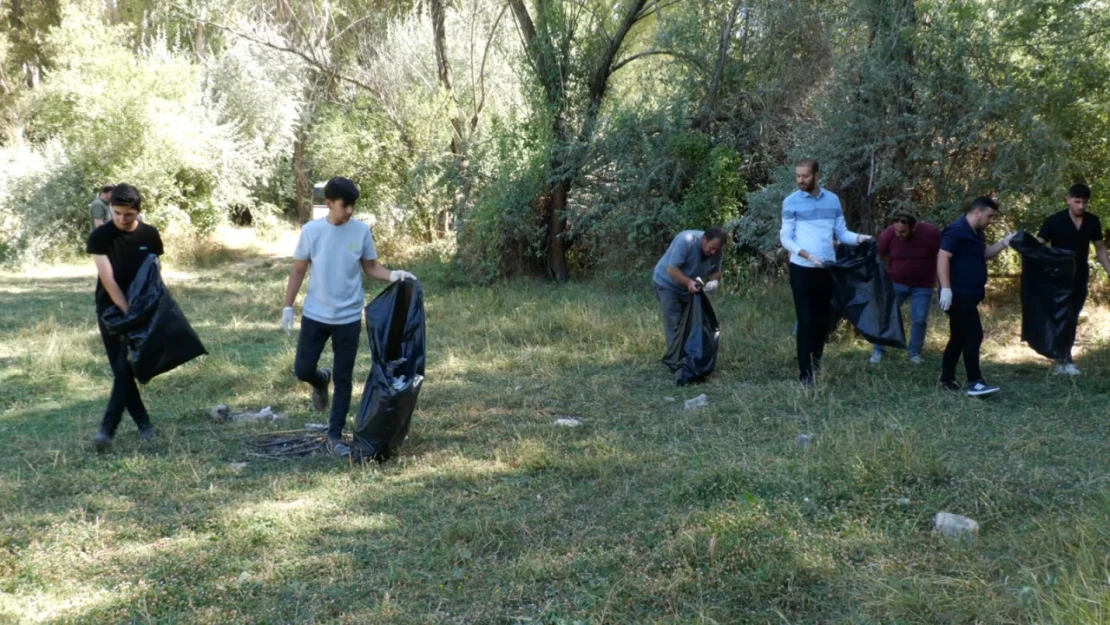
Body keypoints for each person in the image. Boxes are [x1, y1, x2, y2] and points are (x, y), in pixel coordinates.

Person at [281, 177, 416, 458]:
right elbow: (298, 270)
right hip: (316, 314)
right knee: (302, 369)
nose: (350, 211)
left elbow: (371, 267)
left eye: (353, 205)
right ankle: (319, 380)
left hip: (349, 317)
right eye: (345, 206)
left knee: (344, 378)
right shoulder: (312, 231)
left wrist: (393, 275)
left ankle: (334, 436)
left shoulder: (361, 232)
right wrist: (288, 306)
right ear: (329, 203)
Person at [779, 158, 871, 387]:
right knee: (806, 320)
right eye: (798, 176)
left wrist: (861, 238)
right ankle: (805, 373)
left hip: (827, 270)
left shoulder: (832, 200)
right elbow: (785, 238)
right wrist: (807, 255)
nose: (801, 180)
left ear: (817, 175)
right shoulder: (791, 202)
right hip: (802, 269)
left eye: (805, 176)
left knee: (823, 320)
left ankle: (816, 362)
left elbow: (842, 233)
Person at [86, 184, 163, 451]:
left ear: (138, 212)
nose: (121, 219)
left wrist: (151, 309)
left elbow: (154, 273)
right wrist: (128, 313)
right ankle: (133, 426)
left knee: (128, 368)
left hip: (144, 309)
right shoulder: (101, 238)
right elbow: (107, 278)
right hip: (111, 312)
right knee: (122, 368)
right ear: (110, 209)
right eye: (116, 213)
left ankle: (116, 430)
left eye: (127, 214)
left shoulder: (151, 235)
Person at [937, 196, 1015, 396]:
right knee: (974, 335)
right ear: (977, 212)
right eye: (989, 216)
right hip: (958, 294)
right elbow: (943, 257)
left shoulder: (977, 233)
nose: (990, 221)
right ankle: (975, 382)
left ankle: (947, 379)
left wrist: (1005, 242)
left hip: (971, 294)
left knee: (958, 337)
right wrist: (946, 288)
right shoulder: (956, 231)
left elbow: (983, 254)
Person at [1035, 184, 1110, 375]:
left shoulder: (1093, 221)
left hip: (1080, 275)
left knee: (1072, 316)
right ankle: (1063, 359)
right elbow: (1038, 247)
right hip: (1058, 276)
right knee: (1061, 316)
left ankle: (1063, 359)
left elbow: (1100, 247)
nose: (1081, 206)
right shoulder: (1054, 221)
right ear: (1067, 200)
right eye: (1077, 201)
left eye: (1084, 202)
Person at [652, 227, 727, 375]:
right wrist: (689, 283)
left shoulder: (716, 250)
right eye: (711, 248)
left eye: (716, 250)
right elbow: (672, 270)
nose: (713, 253)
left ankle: (690, 361)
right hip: (666, 284)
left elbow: (716, 271)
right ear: (705, 239)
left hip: (688, 288)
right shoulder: (685, 241)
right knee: (674, 322)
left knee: (690, 323)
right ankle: (677, 365)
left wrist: (714, 282)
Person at [870, 213, 942, 365]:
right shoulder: (889, 234)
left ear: (914, 227)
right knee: (887, 315)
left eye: (903, 231)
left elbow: (944, 254)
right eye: (896, 231)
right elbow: (876, 253)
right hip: (896, 283)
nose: (899, 235)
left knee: (920, 320)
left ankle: (914, 353)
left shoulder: (931, 233)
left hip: (923, 285)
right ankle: (878, 349)